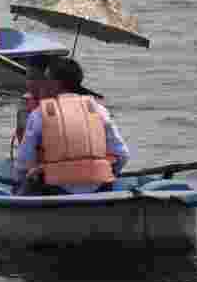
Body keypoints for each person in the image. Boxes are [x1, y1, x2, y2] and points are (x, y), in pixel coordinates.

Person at [12, 57, 130, 195]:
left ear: (56, 83)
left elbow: (23, 162)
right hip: (100, 187)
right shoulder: (99, 110)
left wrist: (19, 183)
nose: (44, 83)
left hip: (56, 189)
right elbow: (123, 155)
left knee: (27, 181)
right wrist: (109, 173)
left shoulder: (40, 114)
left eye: (47, 78)